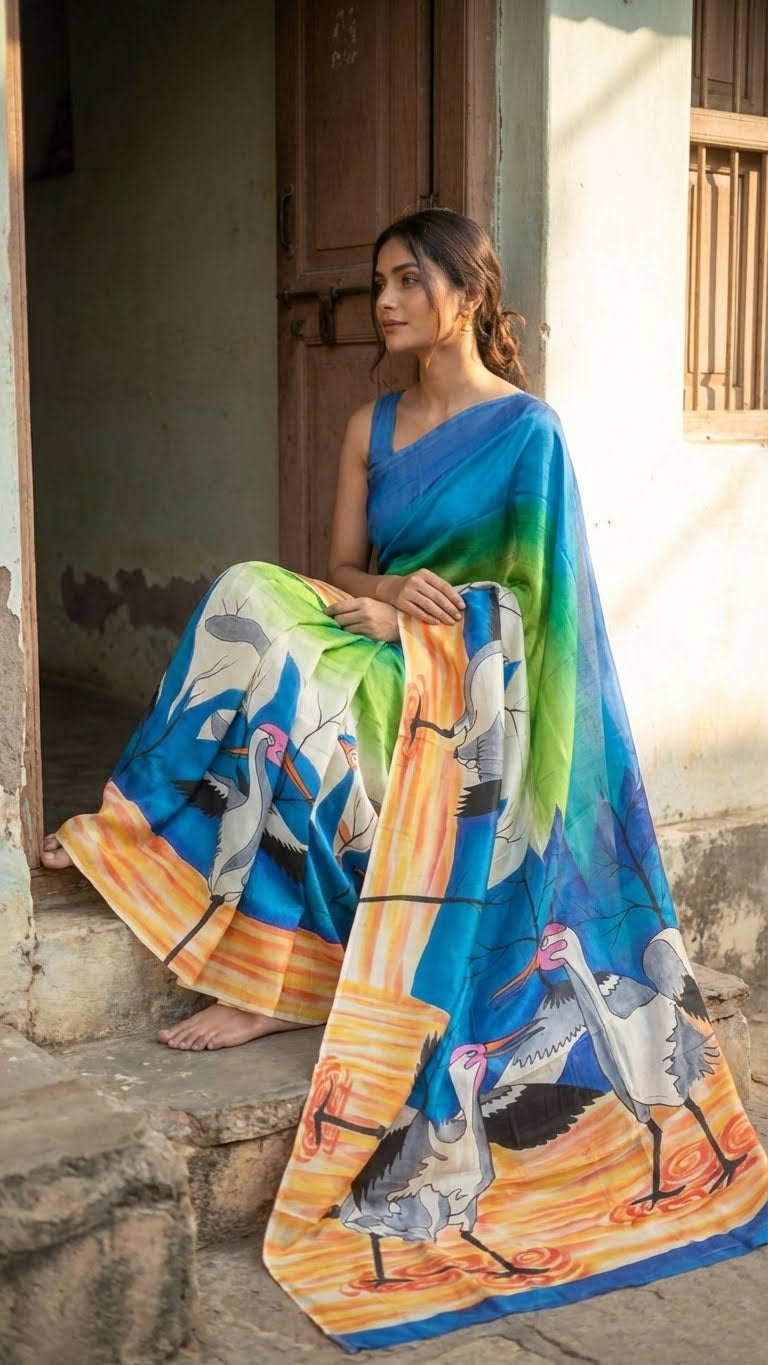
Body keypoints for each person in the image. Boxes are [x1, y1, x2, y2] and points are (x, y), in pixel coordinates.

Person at [41, 210, 768, 1350]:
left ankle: (270, 982)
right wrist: (384, 599)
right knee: (250, 593)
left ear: (467, 295)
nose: (382, 302)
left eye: (405, 281)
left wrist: (445, 620)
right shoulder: (370, 423)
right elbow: (338, 566)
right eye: (378, 282)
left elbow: (546, 613)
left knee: (307, 710)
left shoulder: (530, 435)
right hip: (380, 643)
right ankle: (131, 828)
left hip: (472, 690)